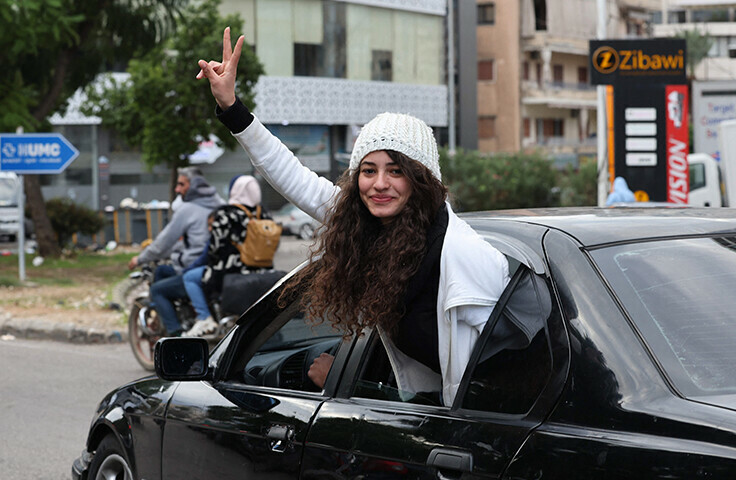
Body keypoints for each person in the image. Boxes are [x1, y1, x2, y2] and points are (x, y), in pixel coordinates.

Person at [197, 28, 510, 406]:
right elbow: (293, 177)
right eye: (368, 170)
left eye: (396, 171)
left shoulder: (464, 256)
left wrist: (357, 387)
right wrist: (232, 108)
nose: (379, 184)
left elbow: (494, 381)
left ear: (421, 180)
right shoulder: (369, 225)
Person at [128, 167, 224, 336]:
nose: (177, 189)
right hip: (217, 266)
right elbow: (192, 242)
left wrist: (140, 259)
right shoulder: (221, 204)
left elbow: (164, 241)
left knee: (158, 289)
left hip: (198, 270)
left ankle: (175, 335)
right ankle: (179, 317)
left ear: (193, 185)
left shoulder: (188, 209)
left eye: (181, 184)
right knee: (163, 271)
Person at [182, 174, 275, 336]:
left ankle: (204, 318)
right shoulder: (264, 214)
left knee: (190, 276)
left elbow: (214, 250)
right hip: (261, 271)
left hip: (227, 273)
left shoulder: (226, 214)